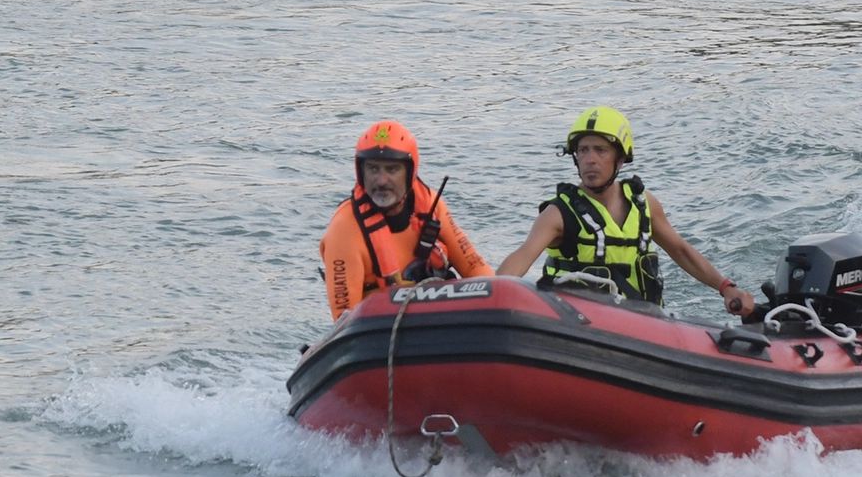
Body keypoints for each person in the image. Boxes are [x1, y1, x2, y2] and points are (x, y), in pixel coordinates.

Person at [497, 106, 756, 315]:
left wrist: (726, 287)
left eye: (601, 150)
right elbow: (522, 257)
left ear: (620, 159)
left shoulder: (644, 205)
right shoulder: (558, 214)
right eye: (583, 150)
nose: (590, 160)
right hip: (577, 325)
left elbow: (681, 250)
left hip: (643, 325)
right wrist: (493, 292)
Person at [320, 120, 494, 319]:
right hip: (381, 333)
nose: (382, 181)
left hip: (440, 322)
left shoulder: (432, 207)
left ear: (410, 173)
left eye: (392, 169)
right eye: (373, 169)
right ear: (361, 172)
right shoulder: (344, 230)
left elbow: (474, 266)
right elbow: (344, 318)